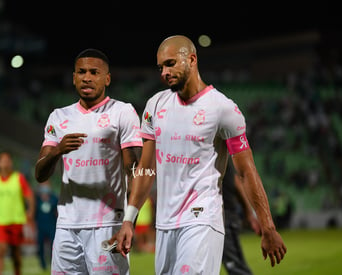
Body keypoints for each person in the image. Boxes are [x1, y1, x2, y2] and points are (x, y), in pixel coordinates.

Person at [112, 35, 287, 274]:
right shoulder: (155, 106)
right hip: (165, 225)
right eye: (160, 67)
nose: (164, 72)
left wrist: (268, 227)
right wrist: (129, 219)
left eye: (170, 63)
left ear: (192, 59)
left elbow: (246, 172)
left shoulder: (223, 109)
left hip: (202, 219)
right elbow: (146, 168)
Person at [34, 48, 143, 274]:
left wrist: (129, 222)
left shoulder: (122, 112)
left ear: (107, 78)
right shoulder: (59, 116)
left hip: (109, 224)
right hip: (67, 225)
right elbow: (40, 174)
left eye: (94, 72)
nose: (87, 77)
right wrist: (57, 151)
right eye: (81, 72)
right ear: (74, 78)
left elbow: (135, 171)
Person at [0, 150, 35, 275]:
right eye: (3, 161)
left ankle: (17, 271)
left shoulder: (18, 178)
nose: (6, 163)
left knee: (15, 252)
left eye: (8, 161)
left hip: (16, 220)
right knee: (0, 250)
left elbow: (29, 195)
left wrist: (30, 210)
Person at [222, 161, 261, 275]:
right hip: (205, 216)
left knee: (236, 268)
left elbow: (236, 181)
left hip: (225, 216)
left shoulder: (216, 150)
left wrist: (249, 213)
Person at [34, 180, 58, 271]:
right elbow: (35, 212)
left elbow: (57, 211)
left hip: (51, 225)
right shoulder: (37, 199)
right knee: (40, 245)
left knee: (53, 245)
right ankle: (42, 264)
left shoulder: (54, 198)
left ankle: (53, 262)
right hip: (41, 226)